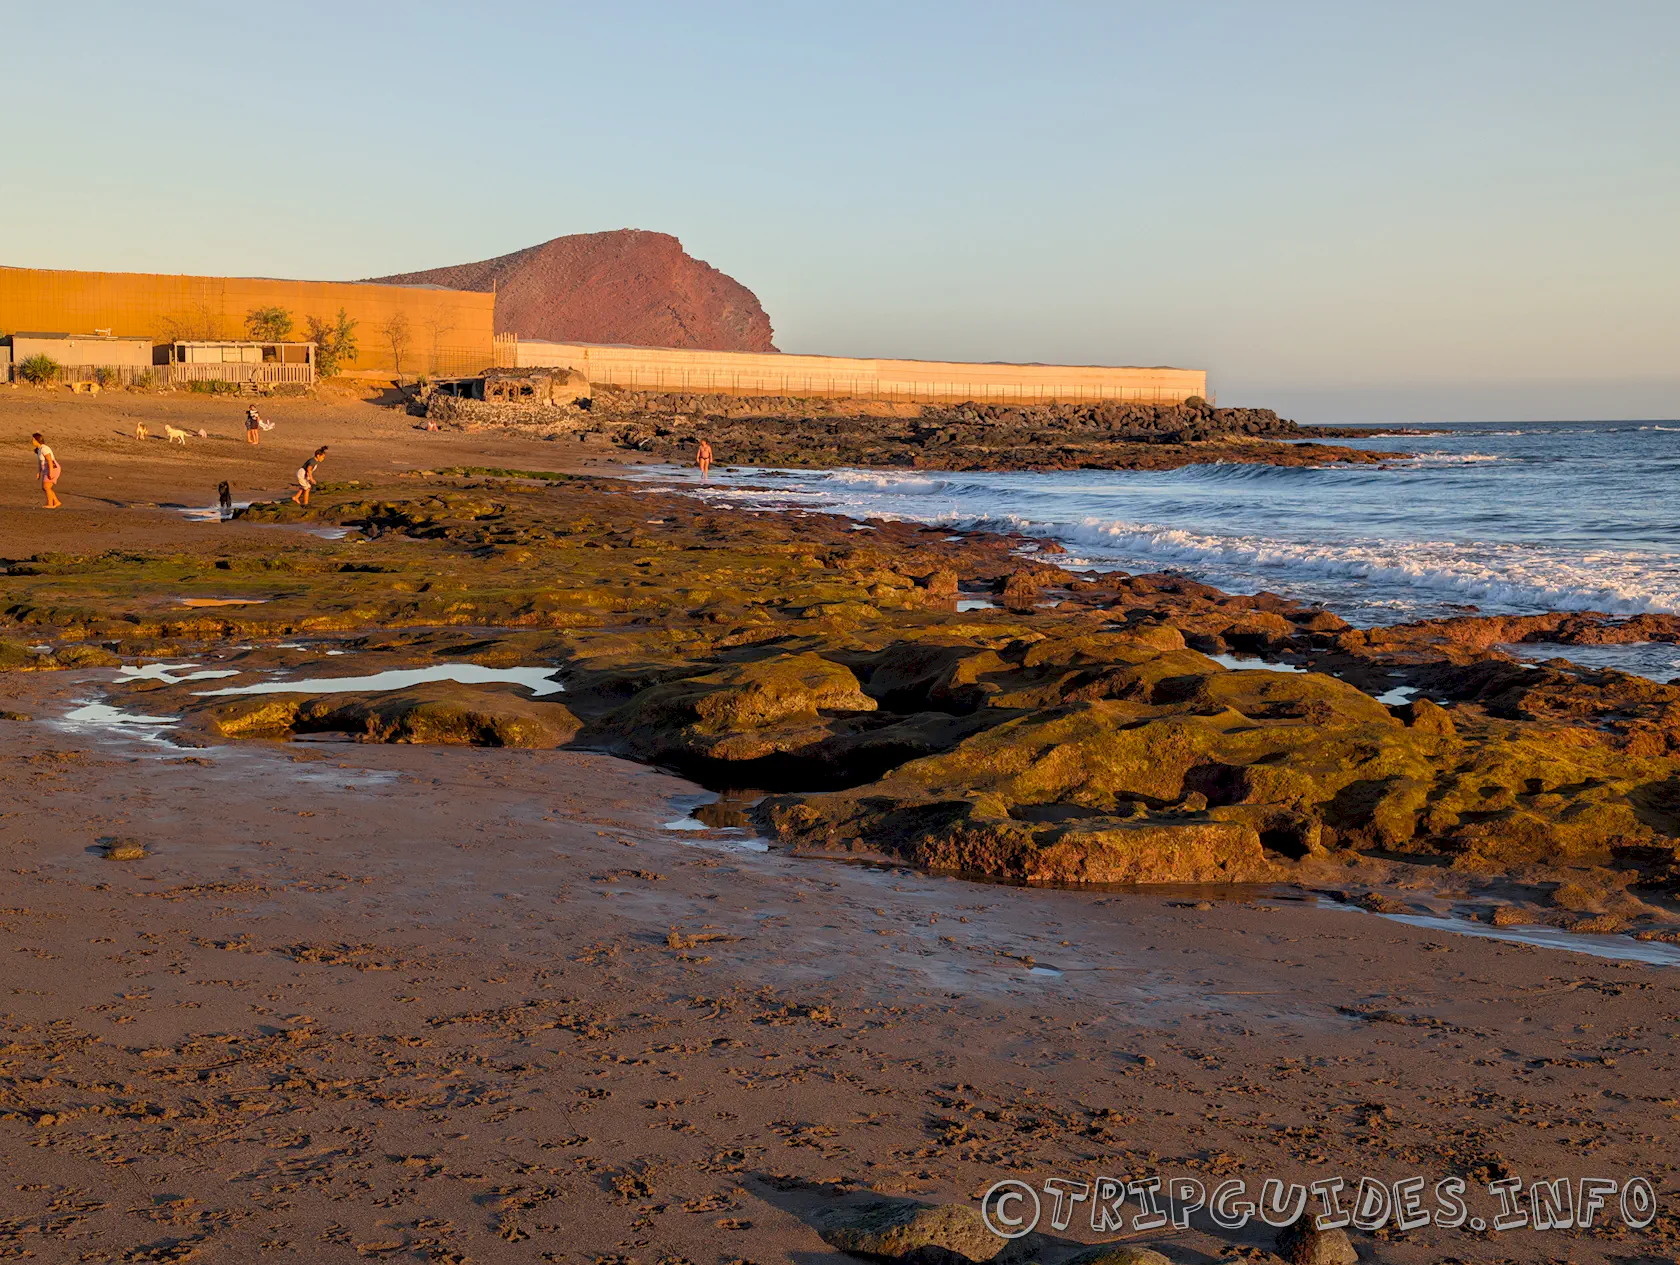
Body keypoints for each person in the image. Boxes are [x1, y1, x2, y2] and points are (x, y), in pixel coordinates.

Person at [32, 433, 61, 509]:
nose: (32, 441)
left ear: (37, 440)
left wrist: (51, 472)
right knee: (45, 487)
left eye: (33, 439)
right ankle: (56, 502)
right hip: (47, 468)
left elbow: (50, 461)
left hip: (53, 468)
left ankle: (50, 504)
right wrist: (39, 472)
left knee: (46, 486)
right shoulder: (39, 450)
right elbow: (41, 462)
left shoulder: (44, 448)